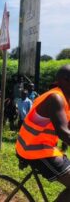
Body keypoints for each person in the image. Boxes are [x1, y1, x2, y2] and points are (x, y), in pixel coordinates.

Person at [16, 65, 70, 202]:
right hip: (34, 149)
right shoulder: (55, 98)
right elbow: (64, 132)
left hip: (44, 147)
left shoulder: (65, 99)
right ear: (65, 80)